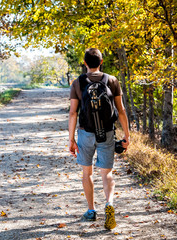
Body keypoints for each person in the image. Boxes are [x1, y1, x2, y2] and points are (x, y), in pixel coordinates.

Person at [68, 48, 130, 230]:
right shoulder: (111, 80)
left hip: (85, 133)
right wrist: (127, 135)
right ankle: (109, 204)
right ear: (101, 61)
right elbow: (121, 111)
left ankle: (91, 210)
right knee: (107, 173)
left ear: (85, 63)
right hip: (108, 133)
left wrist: (71, 139)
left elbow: (73, 113)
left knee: (87, 173)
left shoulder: (77, 83)